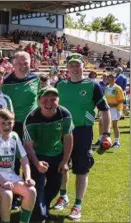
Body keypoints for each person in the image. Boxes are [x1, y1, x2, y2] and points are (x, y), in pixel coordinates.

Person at [54, 54, 111, 220]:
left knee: (81, 168)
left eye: (77, 65)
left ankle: (77, 205)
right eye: (71, 65)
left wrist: (105, 134)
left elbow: (105, 110)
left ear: (82, 66)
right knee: (62, 165)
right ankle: (63, 196)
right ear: (67, 67)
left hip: (83, 131)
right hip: (61, 131)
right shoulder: (60, 84)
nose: (74, 68)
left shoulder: (92, 85)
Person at [23, 87, 73, 221]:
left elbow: (68, 137)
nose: (49, 103)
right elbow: (28, 145)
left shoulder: (65, 114)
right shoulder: (31, 119)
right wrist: (36, 163)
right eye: (45, 99)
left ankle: (41, 207)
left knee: (55, 184)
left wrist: (65, 160)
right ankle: (39, 216)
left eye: (53, 99)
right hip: (37, 155)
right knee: (37, 186)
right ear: (39, 101)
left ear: (58, 100)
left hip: (57, 154)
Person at [0, 109, 36, 223]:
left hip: (10, 175)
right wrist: (2, 181)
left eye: (10, 123)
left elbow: (24, 158)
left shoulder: (14, 136)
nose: (7, 126)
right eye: (3, 123)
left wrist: (27, 177)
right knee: (7, 194)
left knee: (31, 191)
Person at [103, 73, 125, 149]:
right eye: (109, 77)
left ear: (115, 79)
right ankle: (106, 140)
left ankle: (117, 142)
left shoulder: (118, 88)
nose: (110, 79)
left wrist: (113, 105)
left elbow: (122, 99)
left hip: (115, 109)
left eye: (112, 77)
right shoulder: (107, 87)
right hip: (108, 109)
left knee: (114, 125)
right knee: (106, 125)